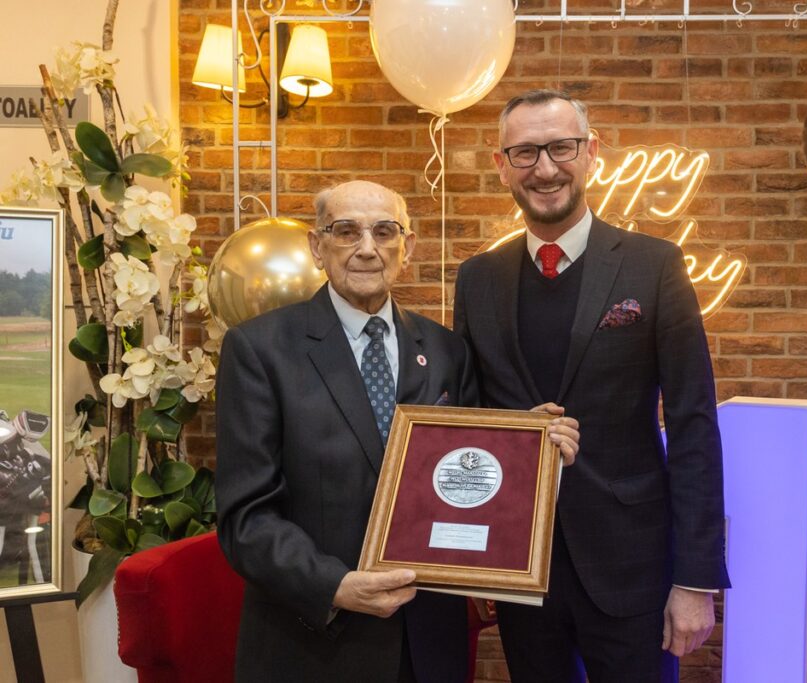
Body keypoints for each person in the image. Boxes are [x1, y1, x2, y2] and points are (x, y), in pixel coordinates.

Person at [215, 180, 579, 682]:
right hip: (314, 643)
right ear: (317, 247)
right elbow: (245, 518)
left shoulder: (448, 350)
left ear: (406, 249)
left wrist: (529, 448)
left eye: (385, 231)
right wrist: (336, 585)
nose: (367, 248)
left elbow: (467, 482)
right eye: (346, 231)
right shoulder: (258, 350)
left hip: (429, 644)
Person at [454, 90, 730, 682]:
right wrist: (472, 565)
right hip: (522, 571)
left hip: (634, 568)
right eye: (525, 152)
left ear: (592, 153)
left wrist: (695, 580)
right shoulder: (477, 279)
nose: (545, 168)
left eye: (561, 147)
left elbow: (693, 424)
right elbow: (471, 426)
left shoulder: (654, 265)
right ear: (501, 165)